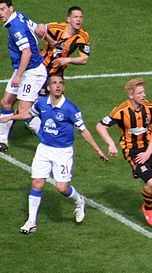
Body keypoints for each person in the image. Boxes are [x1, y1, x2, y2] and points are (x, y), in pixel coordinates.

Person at [0, 75, 109, 233]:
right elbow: (29, 114)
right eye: (54, 83)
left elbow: (83, 131)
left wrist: (98, 150)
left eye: (60, 83)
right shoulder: (42, 103)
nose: (58, 86)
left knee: (62, 188)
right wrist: (10, 117)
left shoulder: (70, 108)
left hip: (62, 153)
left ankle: (79, 202)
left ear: (63, 87)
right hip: (44, 149)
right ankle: (31, 222)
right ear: (49, 88)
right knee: (37, 183)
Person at [95, 78, 152, 228]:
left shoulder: (150, 107)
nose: (143, 95)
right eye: (140, 92)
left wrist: (148, 152)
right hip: (133, 151)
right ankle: (147, 209)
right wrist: (111, 143)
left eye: (144, 91)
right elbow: (100, 126)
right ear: (131, 95)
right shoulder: (121, 111)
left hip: (150, 148)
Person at [28, 6, 90, 133]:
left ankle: (45, 126)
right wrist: (40, 26)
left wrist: (68, 59)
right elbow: (39, 28)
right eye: (75, 17)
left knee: (53, 101)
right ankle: (27, 121)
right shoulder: (56, 27)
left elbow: (84, 59)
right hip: (40, 68)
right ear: (68, 19)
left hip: (57, 73)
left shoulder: (83, 36)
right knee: (31, 101)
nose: (79, 20)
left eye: (80, 17)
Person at [0, 0, 47, 152]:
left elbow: (27, 52)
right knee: (6, 102)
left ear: (10, 9)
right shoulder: (19, 16)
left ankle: (49, 141)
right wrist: (53, 42)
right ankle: (2, 141)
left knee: (24, 111)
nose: (0, 13)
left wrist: (18, 76)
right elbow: (39, 30)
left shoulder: (15, 28)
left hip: (31, 71)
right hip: (24, 68)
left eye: (2, 9)